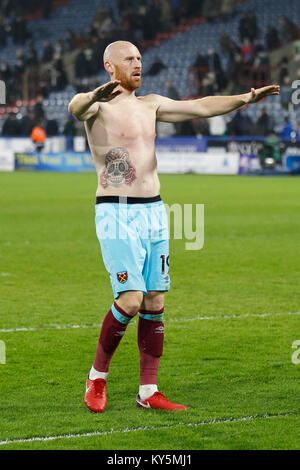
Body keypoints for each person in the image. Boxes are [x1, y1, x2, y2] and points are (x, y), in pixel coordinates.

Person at [68, 40, 280, 413]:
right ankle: (96, 378)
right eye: (129, 59)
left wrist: (244, 98)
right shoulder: (96, 106)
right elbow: (75, 107)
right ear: (109, 65)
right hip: (116, 211)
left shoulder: (151, 104)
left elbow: (200, 106)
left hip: (154, 210)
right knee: (130, 300)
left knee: (155, 301)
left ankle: (148, 391)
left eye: (139, 59)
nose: (137, 64)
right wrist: (90, 95)